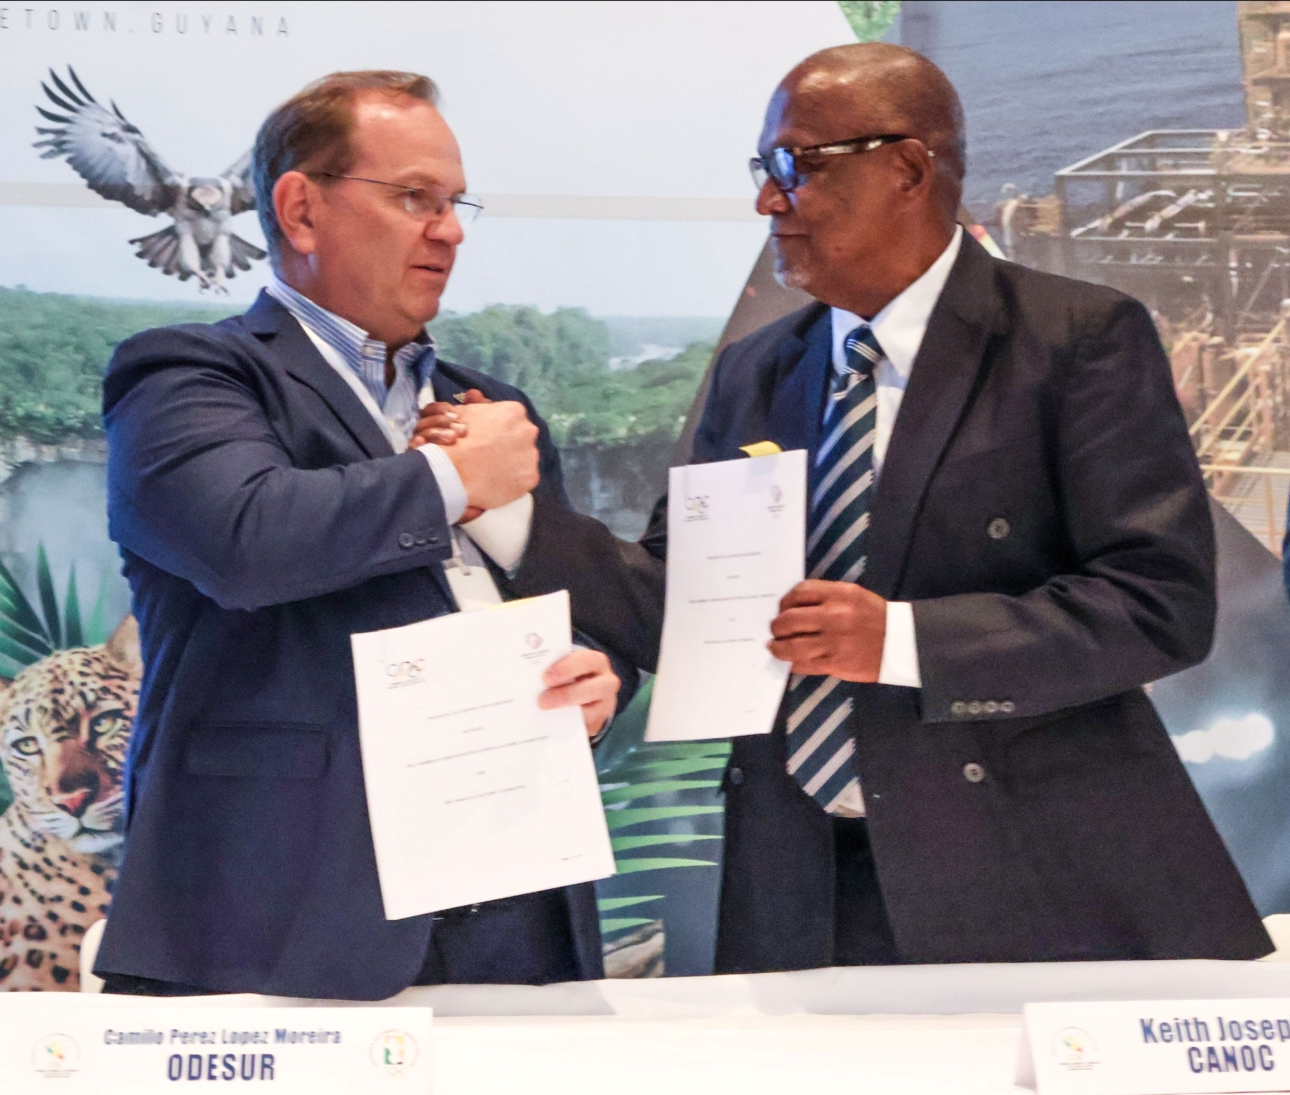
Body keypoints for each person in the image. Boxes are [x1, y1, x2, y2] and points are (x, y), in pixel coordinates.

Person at [423, 43, 1272, 969]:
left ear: (907, 167)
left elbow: (1160, 605)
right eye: (764, 169)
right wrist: (507, 515)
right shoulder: (760, 369)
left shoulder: (1075, 340)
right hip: (800, 879)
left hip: (1032, 874)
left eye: (796, 165)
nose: (766, 200)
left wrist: (901, 642)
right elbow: (686, 600)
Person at [94, 71, 628, 999]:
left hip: (513, 904)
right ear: (300, 209)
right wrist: (454, 480)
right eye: (415, 197)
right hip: (279, 914)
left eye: (456, 203)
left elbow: (556, 610)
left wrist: (591, 675)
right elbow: (247, 538)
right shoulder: (188, 376)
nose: (450, 229)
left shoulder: (491, 408)